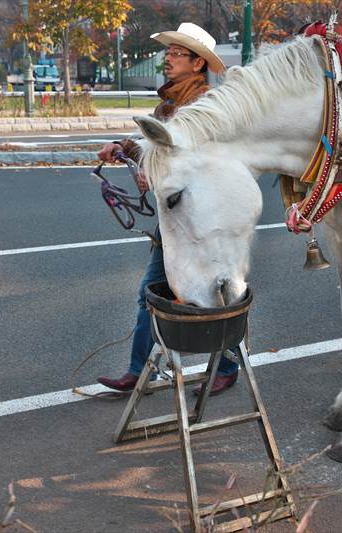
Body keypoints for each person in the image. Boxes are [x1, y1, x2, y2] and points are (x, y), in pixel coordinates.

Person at [96, 23, 239, 395]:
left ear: (197, 63)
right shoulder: (168, 105)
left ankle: (227, 365)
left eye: (177, 53)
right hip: (174, 219)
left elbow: (199, 162)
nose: (168, 59)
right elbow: (154, 147)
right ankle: (138, 370)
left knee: (211, 293)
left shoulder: (207, 106)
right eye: (170, 52)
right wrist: (123, 147)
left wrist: (155, 171)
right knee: (152, 292)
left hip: (204, 219)